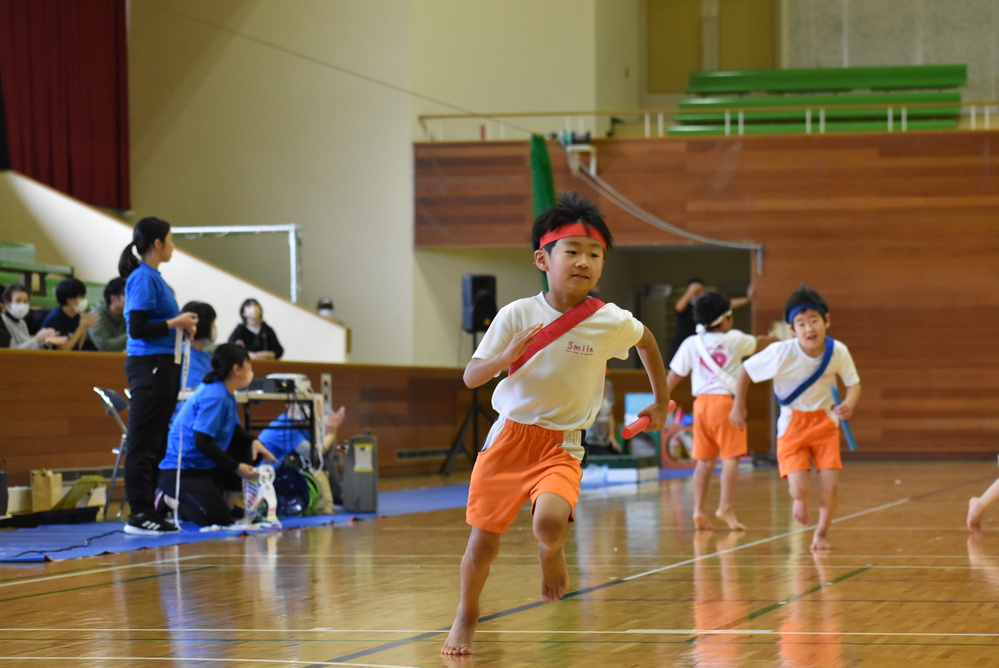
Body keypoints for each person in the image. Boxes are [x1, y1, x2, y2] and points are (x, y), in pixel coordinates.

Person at [441, 192, 674, 656]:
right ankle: (467, 614)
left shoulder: (608, 320)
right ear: (542, 259)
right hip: (508, 438)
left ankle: (553, 553)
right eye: (573, 251)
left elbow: (647, 342)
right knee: (483, 546)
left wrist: (661, 403)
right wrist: (505, 357)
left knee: (549, 523)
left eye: (595, 254)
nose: (584, 261)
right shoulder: (517, 314)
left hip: (561, 444)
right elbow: (471, 377)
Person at [730, 285, 861, 552]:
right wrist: (738, 406)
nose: (809, 328)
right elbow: (745, 370)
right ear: (792, 329)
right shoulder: (782, 353)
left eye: (814, 320)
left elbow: (854, 383)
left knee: (831, 487)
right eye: (801, 323)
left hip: (825, 424)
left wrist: (849, 403)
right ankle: (799, 500)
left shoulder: (838, 351)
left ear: (827, 321)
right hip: (792, 425)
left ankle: (821, 533)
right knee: (799, 488)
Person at [667, 291, 776, 531]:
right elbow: (758, 343)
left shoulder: (691, 343)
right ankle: (725, 507)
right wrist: (772, 338)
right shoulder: (735, 339)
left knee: (704, 462)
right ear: (725, 318)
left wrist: (659, 400)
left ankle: (698, 510)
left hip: (701, 406)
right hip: (726, 405)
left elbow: (673, 376)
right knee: (730, 459)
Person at [119, 217, 200, 536]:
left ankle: (149, 510)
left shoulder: (156, 278)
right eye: (170, 239)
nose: (173, 245)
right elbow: (137, 328)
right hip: (148, 365)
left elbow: (157, 323)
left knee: (156, 440)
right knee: (142, 440)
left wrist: (179, 326)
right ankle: (138, 512)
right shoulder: (142, 278)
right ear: (157, 244)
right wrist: (173, 322)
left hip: (164, 363)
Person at [155, 343, 277, 527]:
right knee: (215, 518)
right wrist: (236, 467)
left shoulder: (226, 393)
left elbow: (234, 431)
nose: (251, 370)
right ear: (237, 369)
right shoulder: (216, 396)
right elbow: (202, 441)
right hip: (181, 471)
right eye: (248, 365)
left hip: (204, 466)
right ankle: (168, 500)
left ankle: (230, 503)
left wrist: (254, 441)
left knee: (245, 446)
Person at [257, 403, 347, 505]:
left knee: (324, 458)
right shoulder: (283, 426)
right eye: (299, 405)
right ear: (288, 406)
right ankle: (338, 497)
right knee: (319, 458)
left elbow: (322, 449)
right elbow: (313, 454)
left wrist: (329, 429)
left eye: (306, 404)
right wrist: (331, 431)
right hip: (266, 478)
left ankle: (337, 496)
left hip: (281, 474)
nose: (304, 408)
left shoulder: (300, 427)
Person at [668, 278, 753, 360]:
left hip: (705, 343)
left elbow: (727, 304)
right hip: (682, 343)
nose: (696, 292)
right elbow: (678, 308)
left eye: (699, 290)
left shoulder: (734, 337)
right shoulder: (688, 343)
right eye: (694, 290)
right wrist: (691, 291)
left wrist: (748, 299)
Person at [40, 277, 100, 351]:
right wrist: (81, 328)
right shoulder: (55, 319)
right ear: (69, 300)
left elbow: (78, 347)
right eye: (81, 297)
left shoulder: (76, 315)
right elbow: (64, 350)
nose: (84, 300)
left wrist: (84, 328)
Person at [1, 283, 58, 349]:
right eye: (18, 301)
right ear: (7, 303)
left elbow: (29, 348)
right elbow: (13, 351)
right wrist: (37, 339)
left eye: (25, 301)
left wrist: (45, 342)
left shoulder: (22, 322)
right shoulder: (3, 323)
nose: (22, 305)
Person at [87, 277, 128, 352]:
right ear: (113, 298)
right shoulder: (97, 314)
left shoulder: (128, 314)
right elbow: (105, 347)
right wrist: (133, 333)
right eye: (128, 294)